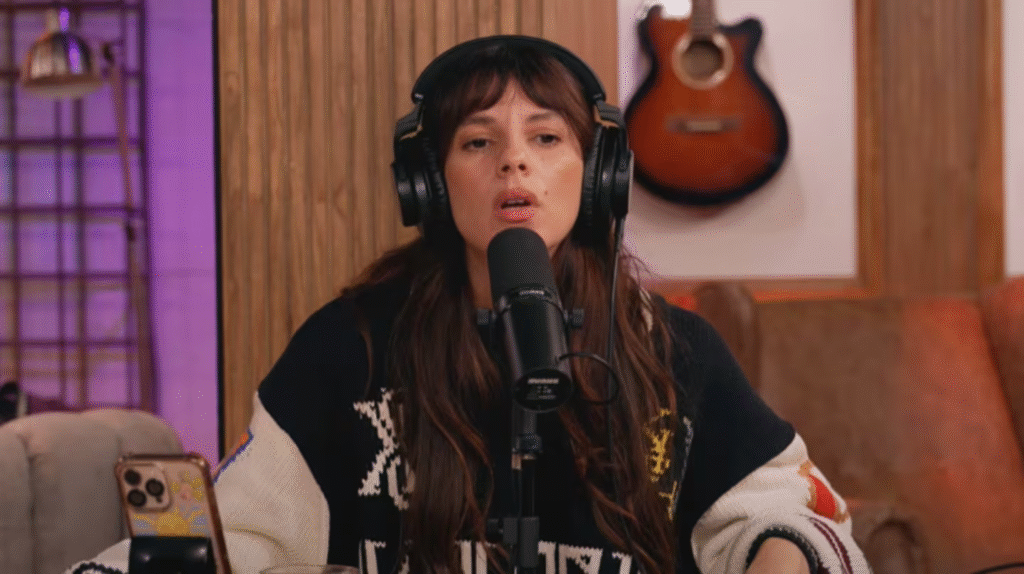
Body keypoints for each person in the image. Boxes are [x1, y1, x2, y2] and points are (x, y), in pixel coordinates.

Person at [69, 36, 869, 574]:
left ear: (598, 178)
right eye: (478, 142)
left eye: (547, 138)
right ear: (429, 183)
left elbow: (788, 513)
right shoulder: (350, 346)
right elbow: (245, 532)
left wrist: (779, 553)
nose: (514, 161)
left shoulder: (671, 351)